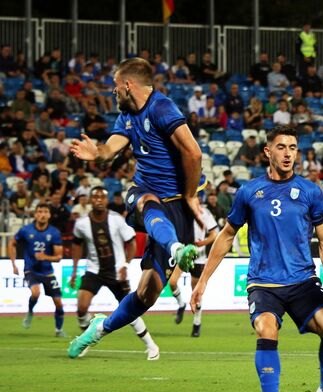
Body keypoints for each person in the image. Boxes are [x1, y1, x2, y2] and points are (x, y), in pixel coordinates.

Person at [190, 126, 323, 392]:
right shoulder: (249, 192)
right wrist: (202, 282)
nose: (287, 154)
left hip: (303, 281)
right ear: (267, 151)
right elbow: (226, 237)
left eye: (293, 148)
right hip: (263, 283)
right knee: (266, 328)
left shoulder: (311, 192)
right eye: (281, 147)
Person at [67, 57, 203, 358]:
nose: (114, 93)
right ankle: (177, 249)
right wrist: (97, 153)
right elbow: (110, 149)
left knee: (146, 294)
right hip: (143, 193)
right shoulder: (126, 116)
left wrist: (191, 195)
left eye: (116, 87)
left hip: (176, 208)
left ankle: (99, 328)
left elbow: (193, 153)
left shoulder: (161, 108)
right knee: (146, 201)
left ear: (128, 85)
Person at [69, 187, 159, 359]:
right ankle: (85, 340)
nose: (98, 200)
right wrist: (74, 270)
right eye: (95, 197)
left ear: (106, 200)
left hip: (116, 271)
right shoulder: (82, 224)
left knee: (130, 311)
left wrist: (125, 264)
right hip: (94, 270)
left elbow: (131, 242)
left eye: (102, 197)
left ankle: (151, 346)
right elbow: (76, 244)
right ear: (90, 200)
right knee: (81, 307)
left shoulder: (116, 220)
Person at [8, 204, 65, 336]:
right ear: (35, 214)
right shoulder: (26, 230)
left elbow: (59, 257)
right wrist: (13, 263)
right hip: (31, 270)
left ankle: (59, 330)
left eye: (45, 212)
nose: (43, 214)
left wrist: (45, 257)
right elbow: (12, 242)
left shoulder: (54, 232)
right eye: (40, 211)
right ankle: (29, 312)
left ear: (49, 215)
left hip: (47, 272)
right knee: (35, 292)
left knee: (58, 302)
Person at [168, 200, 218, 337]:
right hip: (184, 253)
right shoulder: (182, 212)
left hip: (199, 257)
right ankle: (181, 304)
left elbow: (214, 234)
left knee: (195, 293)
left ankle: (197, 323)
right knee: (172, 282)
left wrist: (203, 242)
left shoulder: (205, 213)